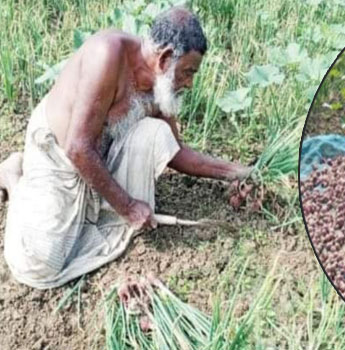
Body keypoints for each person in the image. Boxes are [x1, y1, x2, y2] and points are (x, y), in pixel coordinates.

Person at [0, 7, 252, 289]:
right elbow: (78, 148)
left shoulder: (160, 86)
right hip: (61, 158)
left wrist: (238, 172)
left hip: (99, 156)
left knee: (155, 132)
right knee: (41, 265)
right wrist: (128, 207)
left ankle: (92, 210)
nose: (190, 83)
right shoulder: (107, 55)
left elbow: (178, 152)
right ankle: (13, 176)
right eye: (188, 72)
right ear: (165, 58)